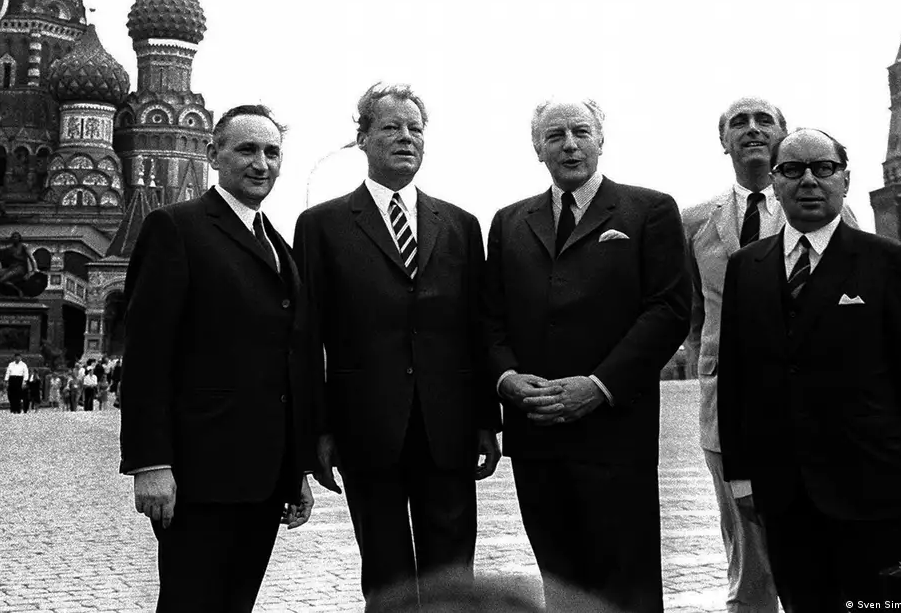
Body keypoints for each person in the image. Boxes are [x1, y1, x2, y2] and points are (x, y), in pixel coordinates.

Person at [717, 128, 901, 610]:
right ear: (775, 183)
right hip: (785, 498)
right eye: (792, 169)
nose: (808, 180)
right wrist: (740, 477)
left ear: (845, 180)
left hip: (877, 494)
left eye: (823, 168)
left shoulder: (887, 261)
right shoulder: (747, 267)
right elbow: (736, 381)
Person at [293, 83, 501, 608]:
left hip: (447, 429)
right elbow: (306, 338)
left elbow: (477, 329)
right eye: (390, 127)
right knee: (386, 576)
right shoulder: (321, 226)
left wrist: (485, 420)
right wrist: (318, 429)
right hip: (364, 430)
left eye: (415, 128)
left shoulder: (460, 225)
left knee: (452, 578)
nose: (406, 137)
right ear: (362, 138)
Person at [482, 98, 691, 613]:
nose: (570, 145)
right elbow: (489, 318)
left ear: (601, 140)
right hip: (536, 432)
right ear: (538, 149)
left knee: (627, 583)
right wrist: (506, 378)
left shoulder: (649, 210)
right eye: (555, 135)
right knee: (561, 582)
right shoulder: (509, 222)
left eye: (581, 132)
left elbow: (668, 310)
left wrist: (598, 386)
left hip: (615, 433)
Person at [121, 104, 317, 612]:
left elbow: (287, 364)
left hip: (263, 477)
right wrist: (150, 462)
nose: (261, 163)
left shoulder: (276, 244)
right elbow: (146, 354)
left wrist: (294, 470)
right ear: (213, 155)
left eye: (272, 152)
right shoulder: (176, 228)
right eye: (246, 149)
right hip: (200, 474)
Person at [682, 97, 860, 612]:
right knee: (748, 561)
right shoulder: (694, 221)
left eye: (765, 120)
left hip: (817, 406)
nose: (752, 129)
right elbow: (692, 311)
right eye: (739, 122)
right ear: (723, 142)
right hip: (730, 409)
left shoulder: (823, 206)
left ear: (783, 135)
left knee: (823, 556)